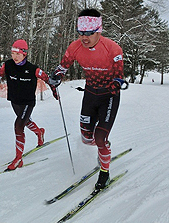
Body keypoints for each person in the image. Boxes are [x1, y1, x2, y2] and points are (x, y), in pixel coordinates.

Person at [50, 9, 128, 190]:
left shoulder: (113, 48)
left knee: (99, 138)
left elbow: (119, 74)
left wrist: (116, 84)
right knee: (86, 138)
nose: (84, 37)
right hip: (90, 94)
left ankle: (104, 173)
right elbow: (63, 67)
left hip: (109, 96)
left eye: (89, 33)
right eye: (81, 33)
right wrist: (55, 76)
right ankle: (104, 146)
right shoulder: (74, 47)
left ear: (99, 30)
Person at [0, 39, 59, 171]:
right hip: (14, 101)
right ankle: (39, 132)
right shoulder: (7, 65)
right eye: (13, 53)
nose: (15, 56)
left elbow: (49, 80)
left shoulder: (33, 69)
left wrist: (54, 91)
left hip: (28, 102)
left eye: (18, 54)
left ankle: (18, 159)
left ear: (24, 54)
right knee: (25, 121)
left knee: (18, 126)